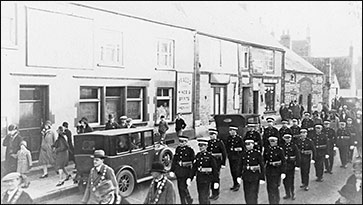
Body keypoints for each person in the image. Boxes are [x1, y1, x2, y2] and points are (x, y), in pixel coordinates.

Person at [188, 138, 218, 204]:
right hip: (199, 179)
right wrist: (190, 178)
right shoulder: (198, 156)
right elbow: (194, 168)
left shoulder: (210, 157)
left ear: (206, 146)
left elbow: (215, 170)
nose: (201, 147)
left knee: (205, 196)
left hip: (207, 179)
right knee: (201, 196)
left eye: (202, 146)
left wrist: (216, 181)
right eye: (200, 146)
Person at [236, 139, 265, 204]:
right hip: (246, 176)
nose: (248, 146)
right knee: (247, 194)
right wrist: (238, 176)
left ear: (253, 145)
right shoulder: (243, 154)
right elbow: (240, 165)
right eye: (246, 145)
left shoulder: (257, 153)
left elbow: (262, 166)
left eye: (249, 145)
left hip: (255, 176)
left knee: (254, 194)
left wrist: (262, 177)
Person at [170, 136, 194, 204]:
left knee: (183, 187)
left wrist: (192, 174)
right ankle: (183, 201)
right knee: (180, 189)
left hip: (186, 171)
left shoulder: (190, 150)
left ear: (186, 142)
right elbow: (175, 160)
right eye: (180, 141)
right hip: (179, 171)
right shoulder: (178, 149)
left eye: (183, 142)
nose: (181, 143)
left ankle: (188, 199)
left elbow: (193, 162)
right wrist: (172, 170)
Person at [263, 136, 286, 204]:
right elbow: (264, 160)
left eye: (274, 141)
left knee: (275, 187)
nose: (272, 143)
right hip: (269, 170)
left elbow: (283, 161)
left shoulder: (279, 150)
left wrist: (283, 172)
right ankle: (271, 202)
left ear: (276, 142)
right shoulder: (267, 149)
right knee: (269, 188)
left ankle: (276, 201)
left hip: (277, 170)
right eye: (271, 141)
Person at [207, 128, 227, 200]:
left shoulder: (219, 142)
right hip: (210, 163)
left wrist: (223, 163)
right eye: (210, 135)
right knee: (211, 178)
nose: (211, 136)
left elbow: (224, 153)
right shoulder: (208, 143)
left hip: (217, 163)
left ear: (216, 135)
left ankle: (216, 193)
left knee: (216, 178)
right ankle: (213, 192)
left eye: (213, 134)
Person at [281, 134, 300, 200]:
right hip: (284, 166)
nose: (287, 139)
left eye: (289, 138)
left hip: (291, 165)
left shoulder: (294, 146)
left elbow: (297, 155)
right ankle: (287, 193)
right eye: (286, 138)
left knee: (291, 180)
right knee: (285, 181)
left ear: (291, 139)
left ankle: (292, 193)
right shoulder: (282, 146)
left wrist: (297, 165)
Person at [225, 126, 244, 191]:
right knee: (232, 171)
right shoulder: (229, 138)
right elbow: (227, 147)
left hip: (237, 157)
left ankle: (238, 184)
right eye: (230, 131)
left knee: (237, 171)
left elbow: (242, 148)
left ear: (235, 131)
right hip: (231, 157)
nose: (231, 132)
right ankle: (234, 184)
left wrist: (235, 149)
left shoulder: (239, 139)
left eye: (232, 131)